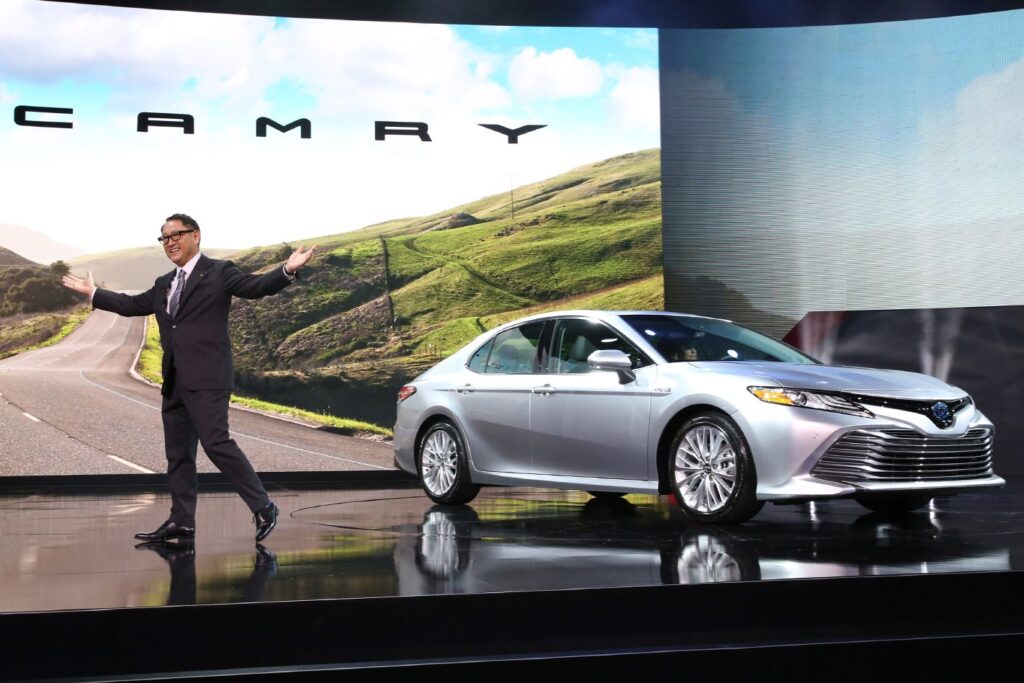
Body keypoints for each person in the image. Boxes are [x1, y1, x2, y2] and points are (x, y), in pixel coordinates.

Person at [62, 213, 315, 543]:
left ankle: (263, 506)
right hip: (175, 380)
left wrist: (287, 270)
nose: (170, 242)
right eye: (164, 238)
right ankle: (181, 521)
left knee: (216, 443)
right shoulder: (164, 282)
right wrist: (94, 292)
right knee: (178, 455)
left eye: (176, 235)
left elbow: (255, 287)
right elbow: (132, 304)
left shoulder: (219, 272)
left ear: (196, 235)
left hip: (208, 377)